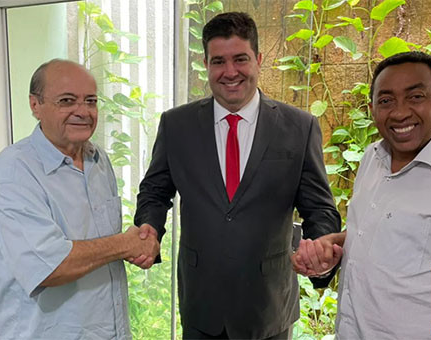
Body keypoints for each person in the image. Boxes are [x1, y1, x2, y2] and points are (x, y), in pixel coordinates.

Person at [132, 12, 341, 339]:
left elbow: (320, 209)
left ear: (258, 60)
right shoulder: (177, 126)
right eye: (219, 62)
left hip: (268, 308)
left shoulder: (299, 128)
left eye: (240, 59)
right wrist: (149, 225)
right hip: (202, 306)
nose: (230, 72)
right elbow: (155, 192)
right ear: (206, 64)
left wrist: (320, 246)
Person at [291, 51, 431, 339]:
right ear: (372, 108)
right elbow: (388, 233)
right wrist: (333, 243)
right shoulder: (373, 158)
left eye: (416, 97)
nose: (399, 112)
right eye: (386, 101)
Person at [0, 59, 158, 339]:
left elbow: (101, 249)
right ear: (35, 105)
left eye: (90, 101)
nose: (82, 111)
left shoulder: (98, 161)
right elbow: (50, 266)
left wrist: (138, 245)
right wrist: (125, 243)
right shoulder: (15, 171)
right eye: (67, 101)